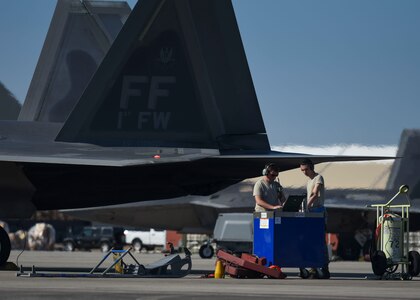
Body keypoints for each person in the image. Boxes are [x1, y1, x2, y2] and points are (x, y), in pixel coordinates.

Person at [300, 158, 330, 279]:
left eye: (306, 169)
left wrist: (306, 206)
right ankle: (313, 267)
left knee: (319, 242)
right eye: (302, 170)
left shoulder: (318, 178)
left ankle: (324, 267)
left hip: (318, 212)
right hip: (310, 212)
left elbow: (315, 193)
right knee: (311, 241)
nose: (304, 172)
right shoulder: (309, 181)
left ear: (311, 168)